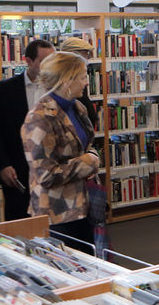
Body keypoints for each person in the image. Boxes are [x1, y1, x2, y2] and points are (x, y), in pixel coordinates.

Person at [21, 51, 100, 253]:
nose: (86, 82)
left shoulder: (77, 107)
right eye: (83, 77)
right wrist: (88, 162)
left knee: (91, 267)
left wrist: (90, 157)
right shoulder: (39, 118)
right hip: (58, 211)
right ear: (67, 80)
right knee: (70, 272)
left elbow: (84, 145)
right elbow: (45, 174)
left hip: (83, 204)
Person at [0, 39, 55, 221]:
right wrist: (3, 165)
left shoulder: (58, 88)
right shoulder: (5, 90)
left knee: (53, 229)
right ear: (28, 61)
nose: (50, 66)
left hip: (52, 172)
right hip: (18, 174)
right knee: (20, 226)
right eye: (44, 61)